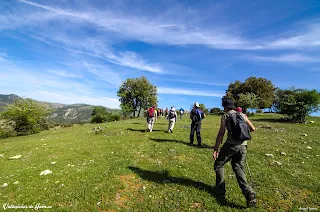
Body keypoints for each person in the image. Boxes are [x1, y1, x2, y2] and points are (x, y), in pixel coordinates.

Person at [213, 98, 256, 208]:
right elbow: (252, 129)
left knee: (219, 165)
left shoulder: (225, 116)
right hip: (243, 146)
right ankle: (248, 192)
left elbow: (221, 133)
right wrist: (241, 133)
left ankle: (220, 193)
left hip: (231, 145)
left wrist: (216, 148)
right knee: (238, 167)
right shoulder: (242, 115)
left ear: (225, 107)